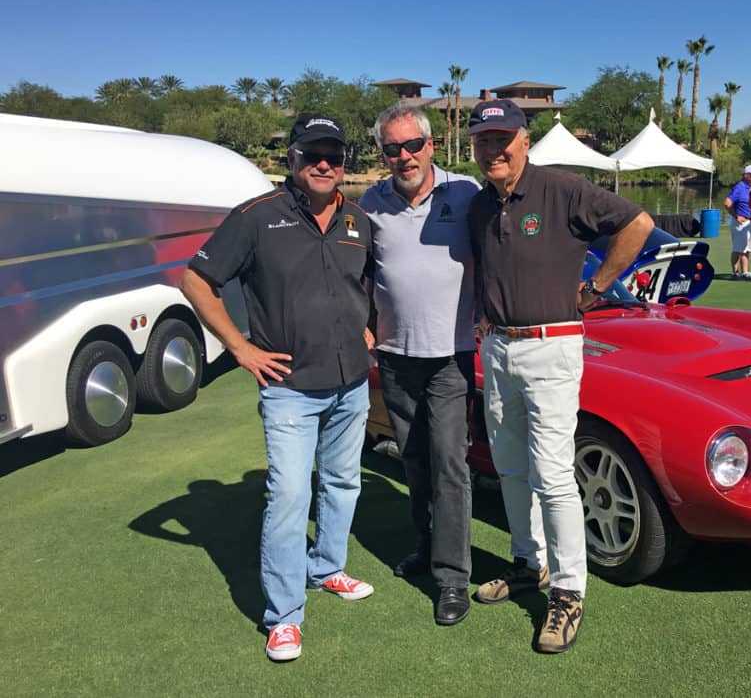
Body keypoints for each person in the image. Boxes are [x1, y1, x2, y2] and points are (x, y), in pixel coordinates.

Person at [180, 114, 375, 662]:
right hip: (289, 386)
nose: (323, 164)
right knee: (290, 496)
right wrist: (240, 348)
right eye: (312, 153)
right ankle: (284, 616)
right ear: (292, 157)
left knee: (342, 483)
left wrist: (370, 325)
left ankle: (328, 568)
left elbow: (369, 283)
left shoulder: (358, 220)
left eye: (333, 155)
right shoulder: (256, 218)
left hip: (351, 381)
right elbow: (196, 279)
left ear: (344, 163)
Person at [466, 99, 654, 653]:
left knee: (551, 473)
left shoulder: (562, 189)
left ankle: (569, 593)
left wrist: (595, 291)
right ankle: (530, 563)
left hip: (552, 347)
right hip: (498, 349)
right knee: (510, 465)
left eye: (503, 138)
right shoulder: (480, 205)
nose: (493, 149)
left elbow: (637, 224)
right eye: (482, 140)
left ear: (525, 139)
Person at [358, 105, 480, 626]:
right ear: (382, 153)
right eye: (392, 148)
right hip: (395, 354)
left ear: (431, 145)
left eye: (412, 146)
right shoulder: (370, 202)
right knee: (414, 461)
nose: (403, 156)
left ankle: (453, 578)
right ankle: (428, 550)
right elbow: (361, 270)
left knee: (451, 466)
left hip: (452, 355)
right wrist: (364, 321)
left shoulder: (466, 192)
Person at [724, 165, 751, 279]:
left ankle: (745, 271)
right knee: (738, 249)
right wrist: (736, 216)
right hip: (739, 223)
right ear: (746, 175)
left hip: (749, 222)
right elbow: (727, 203)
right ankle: (735, 272)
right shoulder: (739, 187)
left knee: (746, 248)